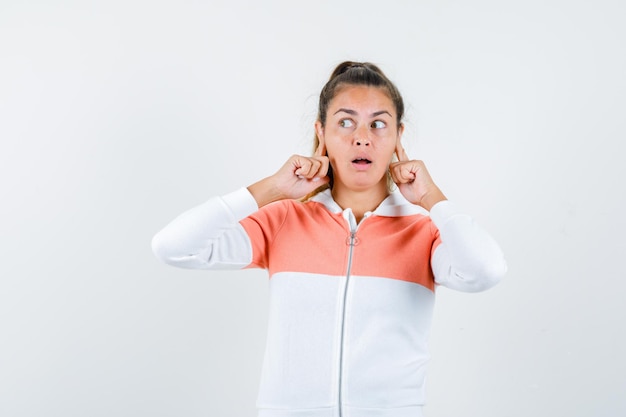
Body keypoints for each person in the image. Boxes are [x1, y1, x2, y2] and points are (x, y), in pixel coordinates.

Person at [152, 61, 507, 417]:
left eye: (378, 123)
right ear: (322, 133)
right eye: (346, 122)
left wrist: (432, 198)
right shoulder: (283, 221)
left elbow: (486, 270)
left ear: (399, 136)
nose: (362, 137)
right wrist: (271, 189)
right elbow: (173, 247)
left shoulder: (425, 234)